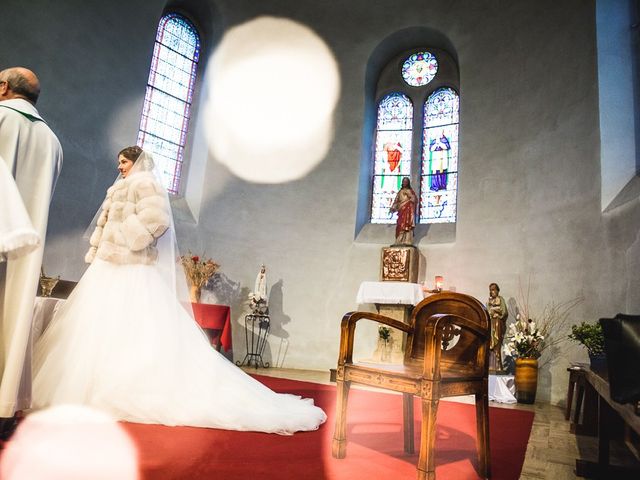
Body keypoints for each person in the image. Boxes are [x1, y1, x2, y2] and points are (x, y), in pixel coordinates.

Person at [33, 147, 326, 434]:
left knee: (136, 327)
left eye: (123, 162)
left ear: (136, 162)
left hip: (131, 266)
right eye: (119, 162)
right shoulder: (120, 185)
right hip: (109, 266)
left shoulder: (145, 183)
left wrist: (126, 237)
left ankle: (130, 384)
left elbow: (156, 220)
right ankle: (93, 383)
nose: (119, 167)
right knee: (99, 327)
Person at [0, 67, 63, 438]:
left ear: (3, 87)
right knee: (14, 321)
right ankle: (5, 407)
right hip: (26, 253)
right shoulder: (52, 141)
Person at [487, 282, 509, 373]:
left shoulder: (501, 299)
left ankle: (499, 366)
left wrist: (496, 311)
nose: (492, 292)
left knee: (497, 344)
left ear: (497, 290)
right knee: (490, 344)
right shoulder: (489, 301)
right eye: (491, 290)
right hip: (491, 323)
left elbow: (504, 312)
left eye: (494, 289)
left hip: (498, 323)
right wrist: (491, 312)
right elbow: (487, 312)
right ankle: (491, 366)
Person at [389, 177, 417, 245]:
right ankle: (399, 240)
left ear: (408, 183)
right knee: (400, 224)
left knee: (407, 224)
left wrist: (411, 197)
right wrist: (393, 208)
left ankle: (407, 240)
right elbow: (396, 201)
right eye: (404, 181)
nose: (405, 183)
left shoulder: (410, 191)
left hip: (408, 210)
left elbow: (414, 200)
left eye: (406, 181)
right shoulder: (400, 192)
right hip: (401, 210)